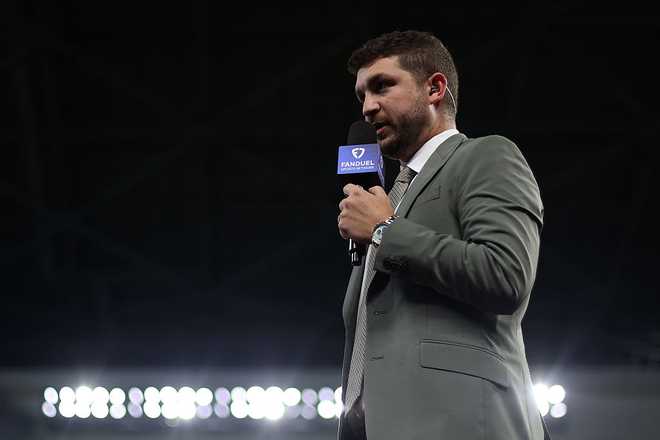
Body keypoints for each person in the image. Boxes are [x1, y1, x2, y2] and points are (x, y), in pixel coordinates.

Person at [336, 30, 549, 440]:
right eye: (361, 94)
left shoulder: (485, 155)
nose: (367, 107)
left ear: (434, 88)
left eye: (382, 86)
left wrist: (384, 231)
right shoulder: (390, 194)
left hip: (461, 422)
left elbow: (506, 276)